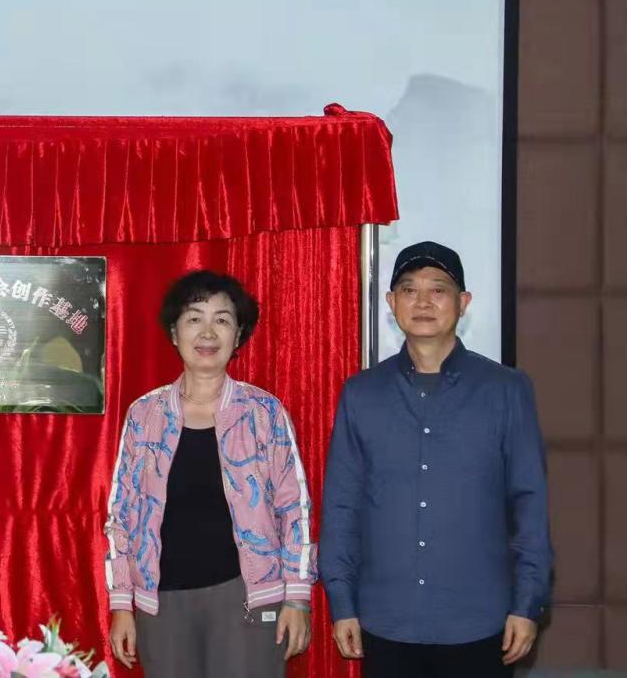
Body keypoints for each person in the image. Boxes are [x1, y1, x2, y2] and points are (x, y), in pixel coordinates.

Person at [320, 241, 552, 677]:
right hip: (386, 618)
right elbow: (342, 505)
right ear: (392, 303)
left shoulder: (506, 390)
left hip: (479, 620)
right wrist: (342, 601)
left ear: (463, 303)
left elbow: (529, 504)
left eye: (438, 289)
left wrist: (527, 603)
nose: (423, 301)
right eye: (409, 290)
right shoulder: (362, 394)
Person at [104, 270, 316, 677]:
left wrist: (296, 597)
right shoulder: (144, 414)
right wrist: (121, 603)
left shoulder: (264, 412)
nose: (207, 332)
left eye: (222, 319)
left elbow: (295, 509)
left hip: (248, 596)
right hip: (162, 601)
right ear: (174, 332)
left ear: (238, 335)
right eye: (194, 318)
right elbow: (122, 514)